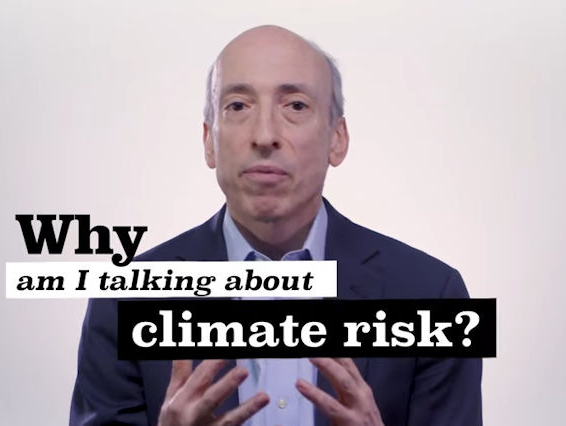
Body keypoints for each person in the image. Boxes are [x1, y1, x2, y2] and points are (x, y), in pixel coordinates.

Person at [70, 25, 482, 426]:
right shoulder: (124, 301)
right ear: (209, 141)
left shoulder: (434, 296)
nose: (265, 135)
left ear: (337, 139)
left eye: (296, 106)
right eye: (238, 106)